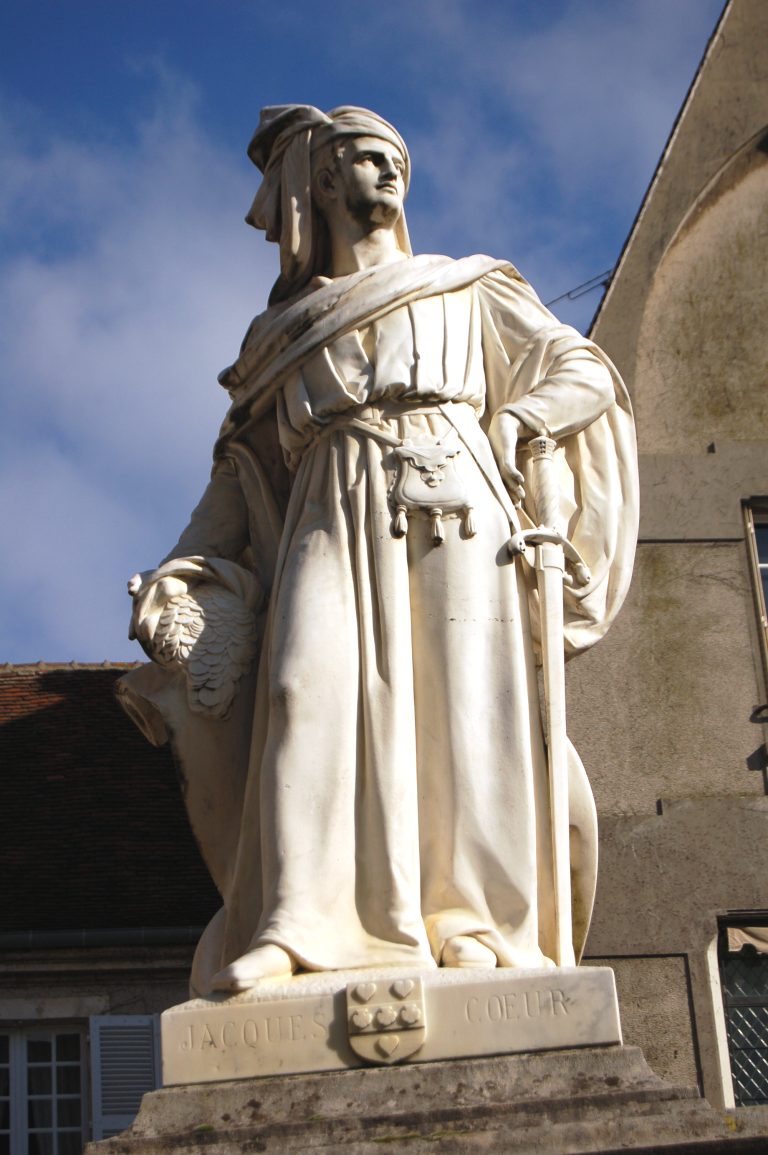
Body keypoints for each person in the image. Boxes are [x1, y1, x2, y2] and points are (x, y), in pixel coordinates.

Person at [120, 105, 638, 997]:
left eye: (395, 159)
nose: (388, 173)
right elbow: (237, 479)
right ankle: (296, 924)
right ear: (322, 184)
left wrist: (519, 416)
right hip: (330, 505)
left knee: (464, 703)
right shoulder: (279, 337)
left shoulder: (464, 288)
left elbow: (582, 368)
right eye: (365, 159)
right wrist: (181, 568)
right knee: (301, 688)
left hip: (459, 501)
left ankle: (471, 920)